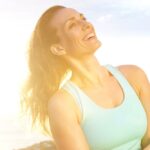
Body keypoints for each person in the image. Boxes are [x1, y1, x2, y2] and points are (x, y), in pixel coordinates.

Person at [21, 5, 150, 150]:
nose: (86, 25)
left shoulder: (134, 76)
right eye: (72, 25)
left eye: (83, 18)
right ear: (59, 48)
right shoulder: (63, 104)